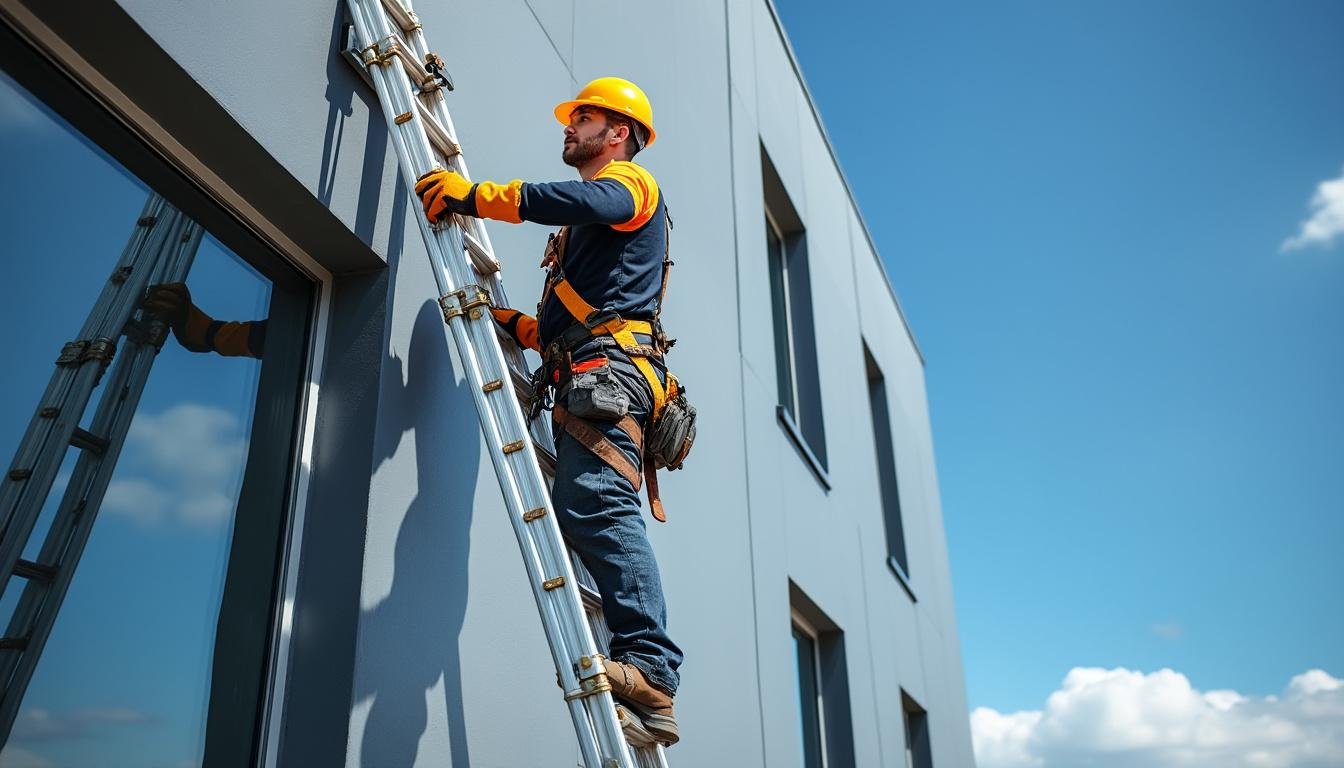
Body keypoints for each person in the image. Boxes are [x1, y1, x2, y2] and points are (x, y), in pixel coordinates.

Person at [414, 77, 682, 744]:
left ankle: (651, 667)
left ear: (618, 133)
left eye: (583, 117)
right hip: (591, 370)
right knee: (584, 503)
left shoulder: (629, 186)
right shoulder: (591, 224)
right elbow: (588, 313)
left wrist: (475, 197)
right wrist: (521, 327)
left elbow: (574, 201)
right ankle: (649, 694)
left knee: (598, 503)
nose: (570, 126)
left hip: (610, 375)